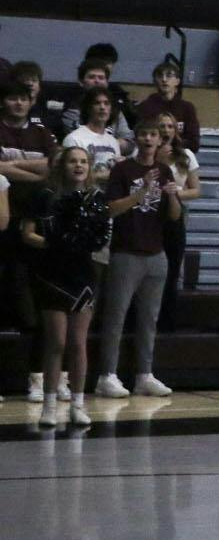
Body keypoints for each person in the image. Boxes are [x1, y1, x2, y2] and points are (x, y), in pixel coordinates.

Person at [20, 147, 110, 427]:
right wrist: (51, 244)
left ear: (90, 167)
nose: (78, 166)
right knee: (56, 341)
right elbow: (27, 233)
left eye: (83, 161)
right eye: (73, 161)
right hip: (52, 274)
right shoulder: (45, 196)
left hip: (82, 275)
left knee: (78, 343)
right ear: (63, 166)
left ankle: (78, 404)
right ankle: (49, 404)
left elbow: (102, 234)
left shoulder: (96, 199)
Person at [96, 119, 181, 399]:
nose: (147, 139)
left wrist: (173, 197)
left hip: (156, 253)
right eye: (143, 133)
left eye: (152, 134)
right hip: (126, 252)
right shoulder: (123, 170)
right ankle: (107, 375)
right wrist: (141, 191)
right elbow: (111, 209)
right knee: (115, 317)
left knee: (149, 319)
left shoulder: (166, 170)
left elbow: (173, 217)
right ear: (136, 139)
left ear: (160, 140)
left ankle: (144, 374)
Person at [154, 111, 201, 330]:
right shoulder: (145, 152)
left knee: (172, 270)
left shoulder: (187, 155)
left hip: (175, 215)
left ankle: (167, 322)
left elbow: (196, 190)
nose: (165, 130)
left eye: (170, 126)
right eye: (161, 126)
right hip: (149, 216)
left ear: (176, 130)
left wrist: (172, 194)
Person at [62, 86, 129, 180]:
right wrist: (109, 174)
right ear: (88, 108)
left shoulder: (113, 142)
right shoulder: (74, 139)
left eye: (106, 103)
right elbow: (71, 176)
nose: (102, 107)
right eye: (97, 103)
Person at [134, 62, 201, 155]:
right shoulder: (145, 107)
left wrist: (171, 147)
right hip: (151, 156)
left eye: (169, 75)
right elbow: (140, 138)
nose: (164, 79)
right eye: (160, 76)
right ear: (154, 81)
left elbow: (194, 144)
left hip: (179, 156)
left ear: (177, 81)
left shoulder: (187, 108)